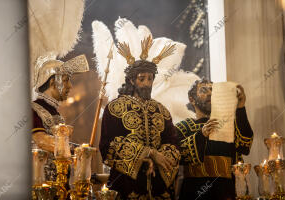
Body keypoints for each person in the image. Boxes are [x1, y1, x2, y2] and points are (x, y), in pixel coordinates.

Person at [99, 36, 180, 200]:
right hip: (128, 182)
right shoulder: (115, 108)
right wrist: (146, 154)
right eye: (142, 78)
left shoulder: (161, 111)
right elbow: (108, 146)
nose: (147, 83)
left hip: (158, 184)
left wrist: (161, 160)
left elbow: (173, 143)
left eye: (150, 79)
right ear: (131, 80)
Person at [176, 79, 253, 200]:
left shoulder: (227, 125)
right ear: (192, 99)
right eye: (203, 90)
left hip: (227, 190)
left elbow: (245, 144)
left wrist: (241, 107)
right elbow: (177, 155)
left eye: (213, 90)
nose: (210, 94)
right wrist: (201, 135)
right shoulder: (183, 127)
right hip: (195, 191)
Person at [31, 54, 89, 181]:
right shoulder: (33, 109)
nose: (70, 86)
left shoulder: (54, 112)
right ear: (53, 82)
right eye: (66, 80)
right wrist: (77, 149)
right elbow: (41, 141)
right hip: (41, 182)